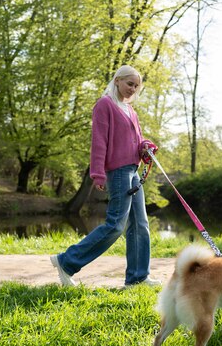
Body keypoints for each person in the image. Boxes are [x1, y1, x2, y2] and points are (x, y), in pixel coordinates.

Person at [50, 65, 160, 287]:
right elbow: (99, 141)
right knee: (116, 225)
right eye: (130, 83)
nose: (133, 89)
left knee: (140, 224)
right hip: (118, 172)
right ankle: (66, 261)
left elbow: (136, 142)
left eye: (136, 86)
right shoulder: (105, 105)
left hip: (133, 171)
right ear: (117, 80)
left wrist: (145, 146)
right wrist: (97, 173)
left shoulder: (131, 111)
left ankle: (138, 277)